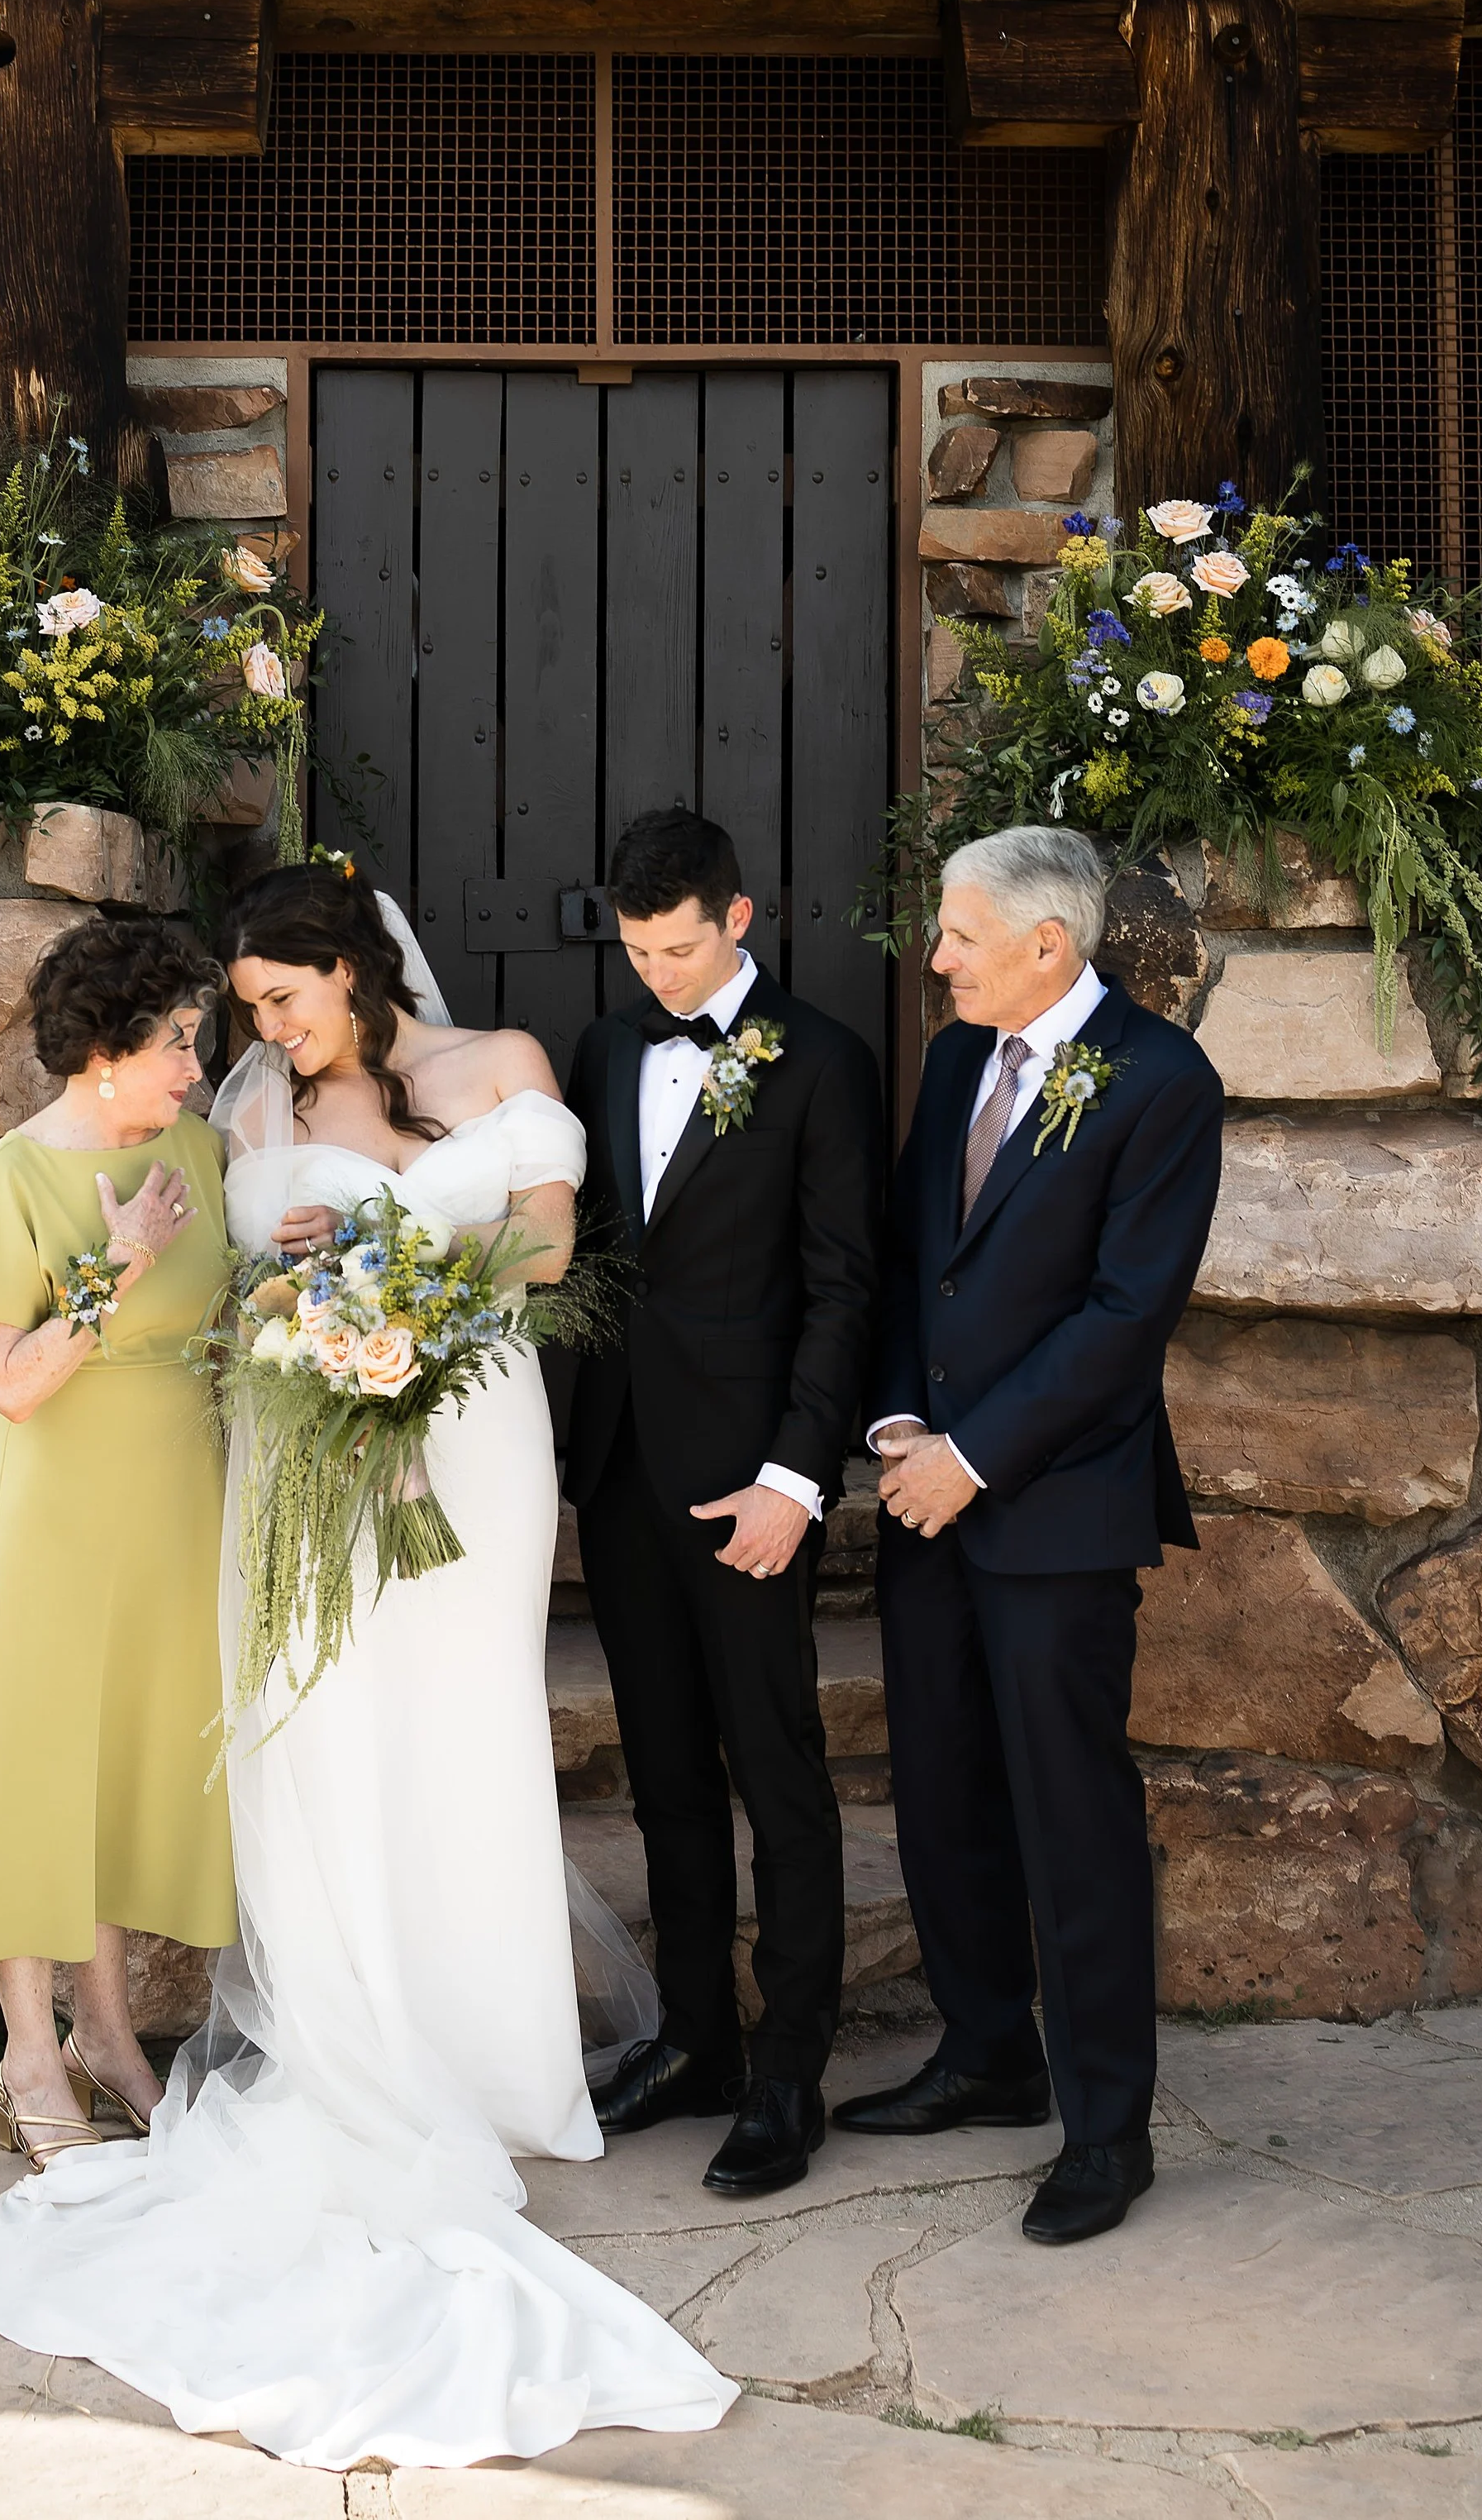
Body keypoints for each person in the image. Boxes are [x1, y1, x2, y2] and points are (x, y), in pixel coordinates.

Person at [0, 856, 735, 2468]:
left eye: (283, 999)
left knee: (461, 1735)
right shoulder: (241, 1119)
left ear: (355, 969)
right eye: (241, 1013)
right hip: (304, 1452)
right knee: (317, 1736)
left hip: (468, 1444)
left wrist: (399, 1281)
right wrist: (296, 1274)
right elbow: (207, 1299)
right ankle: (338, 2031)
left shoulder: (495, 1068)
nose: (267, 1034)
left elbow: (542, 1242)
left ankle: (482, 2051)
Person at [836, 825, 1222, 2246]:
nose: (933, 957)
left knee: (1071, 1813)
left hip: (1054, 1507)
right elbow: (908, 1263)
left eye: (955, 934)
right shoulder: (955, 1063)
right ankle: (987, 2051)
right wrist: (893, 1433)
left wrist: (975, 1459)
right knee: (939, 1789)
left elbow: (1127, 1318)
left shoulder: (1163, 1082)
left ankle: (1107, 2126)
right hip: (922, 1489)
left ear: (1045, 947)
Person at [565, 808, 882, 2199]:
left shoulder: (825, 1064)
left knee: (780, 1773)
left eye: (681, 947)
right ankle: (695, 2034)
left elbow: (844, 1289)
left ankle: (790, 2068)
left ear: (739, 919)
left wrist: (797, 1480)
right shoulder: (604, 1048)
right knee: (668, 1777)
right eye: (639, 951)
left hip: (756, 1480)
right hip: (628, 1471)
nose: (660, 976)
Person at [0, 915, 236, 2171]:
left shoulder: (201, 1149)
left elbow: (233, 1301)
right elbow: (13, 1384)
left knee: (123, 1766)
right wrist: (119, 1265)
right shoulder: (11, 1176)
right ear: (104, 1050)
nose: (194, 1067)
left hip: (174, 1500)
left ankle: (108, 2032)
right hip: (55, 1504)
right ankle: (28, 2056)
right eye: (175, 1042)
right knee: (37, 1764)